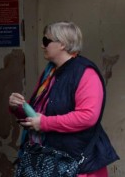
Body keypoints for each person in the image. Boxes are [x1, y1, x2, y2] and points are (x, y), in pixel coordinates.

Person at [9, 21, 119, 177]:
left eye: (46, 41)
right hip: (50, 160)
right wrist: (18, 107)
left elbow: (88, 116)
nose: (42, 46)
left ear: (62, 44)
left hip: (78, 163)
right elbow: (38, 115)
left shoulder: (85, 73)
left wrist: (44, 123)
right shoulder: (50, 72)